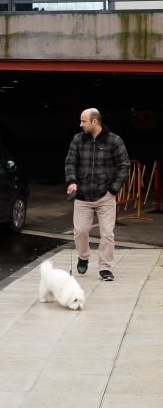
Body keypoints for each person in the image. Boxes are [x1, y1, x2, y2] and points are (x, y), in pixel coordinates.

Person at [65, 108, 130, 281]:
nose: (80, 125)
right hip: (82, 196)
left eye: (83, 121)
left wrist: (113, 189)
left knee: (107, 233)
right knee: (80, 231)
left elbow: (124, 165)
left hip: (105, 196)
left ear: (95, 121)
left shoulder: (114, 141)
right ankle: (83, 257)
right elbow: (70, 162)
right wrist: (72, 181)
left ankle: (105, 268)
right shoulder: (77, 140)